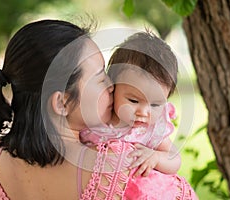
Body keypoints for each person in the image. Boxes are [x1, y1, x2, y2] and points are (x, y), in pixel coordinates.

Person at [0, 19, 134, 199]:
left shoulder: (1, 158)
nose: (111, 85)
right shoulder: (112, 163)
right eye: (100, 77)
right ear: (62, 104)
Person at [80, 32, 198, 199]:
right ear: (113, 87)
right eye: (134, 100)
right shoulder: (100, 120)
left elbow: (174, 160)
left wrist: (156, 157)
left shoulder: (152, 129)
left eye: (156, 104)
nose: (143, 112)